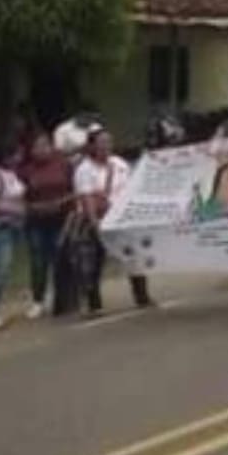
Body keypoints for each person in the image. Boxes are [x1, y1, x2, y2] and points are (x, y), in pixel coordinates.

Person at [73, 127, 154, 315]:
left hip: (122, 218)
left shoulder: (119, 163)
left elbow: (131, 187)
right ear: (91, 146)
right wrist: (94, 223)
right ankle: (94, 304)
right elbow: (87, 199)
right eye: (101, 142)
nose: (106, 146)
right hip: (99, 218)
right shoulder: (84, 170)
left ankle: (142, 295)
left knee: (134, 256)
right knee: (93, 263)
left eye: (109, 142)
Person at [17, 132, 73, 319]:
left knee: (59, 259)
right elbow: (18, 197)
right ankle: (37, 300)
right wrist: (32, 207)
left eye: (44, 145)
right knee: (38, 261)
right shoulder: (25, 170)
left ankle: (60, 296)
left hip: (60, 218)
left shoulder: (64, 164)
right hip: (36, 221)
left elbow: (76, 190)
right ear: (31, 150)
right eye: (36, 147)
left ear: (51, 146)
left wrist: (60, 202)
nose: (41, 150)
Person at [0, 149, 26, 330]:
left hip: (12, 227)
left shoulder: (12, 175)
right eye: (16, 154)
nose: (19, 157)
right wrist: (13, 211)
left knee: (3, 268)